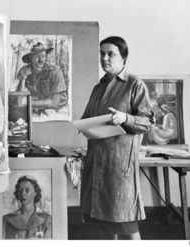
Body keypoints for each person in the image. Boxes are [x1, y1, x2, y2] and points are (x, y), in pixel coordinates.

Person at [80, 36, 154, 240]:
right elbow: (88, 119)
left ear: (123, 57)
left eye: (110, 54)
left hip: (119, 169)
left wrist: (125, 117)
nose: (104, 58)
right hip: (98, 166)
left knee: (126, 224)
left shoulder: (135, 85)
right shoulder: (98, 87)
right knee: (104, 225)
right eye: (101, 53)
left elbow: (147, 122)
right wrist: (84, 127)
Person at [16, 42, 68, 119]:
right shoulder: (24, 71)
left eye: (43, 56)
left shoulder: (55, 72)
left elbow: (54, 102)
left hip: (57, 110)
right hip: (36, 109)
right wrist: (23, 78)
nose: (41, 60)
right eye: (37, 56)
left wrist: (29, 102)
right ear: (31, 58)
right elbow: (19, 101)